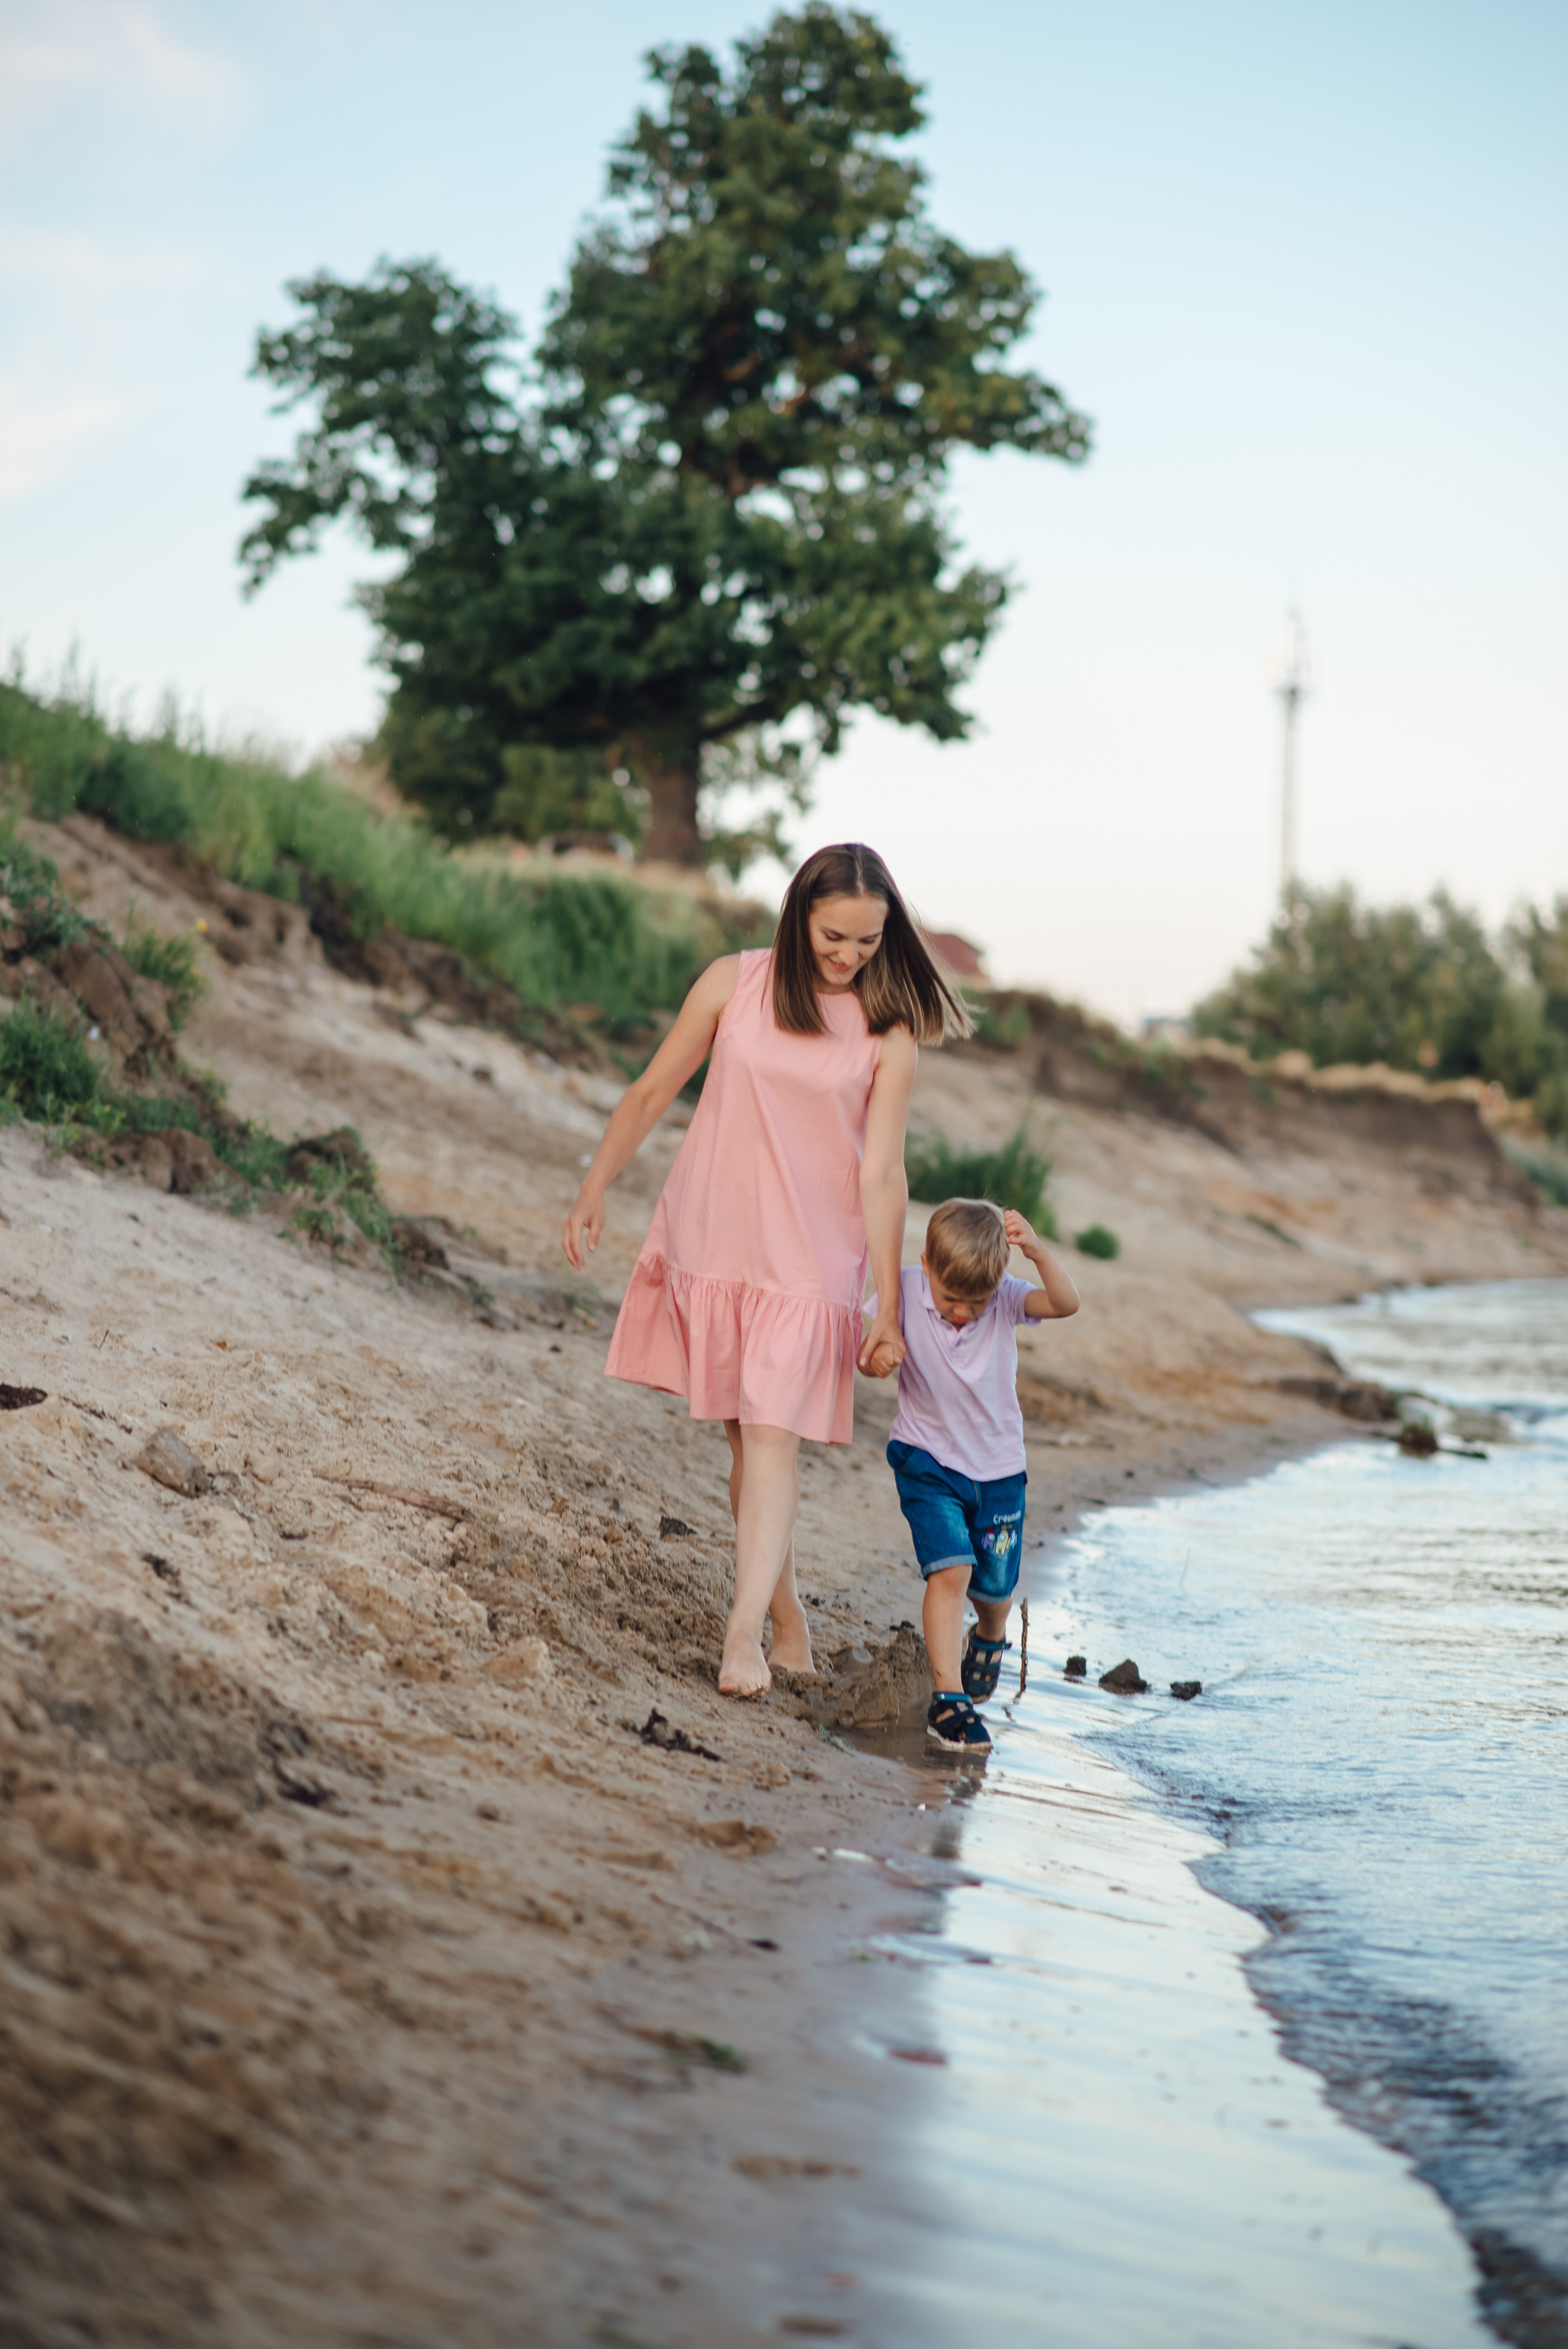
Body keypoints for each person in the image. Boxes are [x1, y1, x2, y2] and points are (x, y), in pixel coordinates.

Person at [561, 844, 968, 1697]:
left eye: (868, 940)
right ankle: (789, 1622)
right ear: (798, 915)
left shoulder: (888, 1036)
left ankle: (741, 1636)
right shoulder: (732, 983)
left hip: (813, 1257)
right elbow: (651, 1090)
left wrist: (889, 1306)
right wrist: (596, 1183)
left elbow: (884, 1173)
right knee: (746, 1440)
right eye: (834, 935)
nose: (850, 955)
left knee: (775, 1437)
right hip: (718, 1234)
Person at [868, 1197, 1079, 1754]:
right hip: (927, 1458)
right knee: (951, 1571)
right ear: (927, 1266)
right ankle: (949, 1697)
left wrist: (1034, 1249)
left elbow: (1066, 1303)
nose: (962, 1312)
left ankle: (989, 1635)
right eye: (949, 1299)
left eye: (975, 1303)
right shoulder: (907, 1289)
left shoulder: (1006, 1299)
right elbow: (869, 1344)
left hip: (999, 1470)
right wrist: (878, 1358)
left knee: (993, 1588)